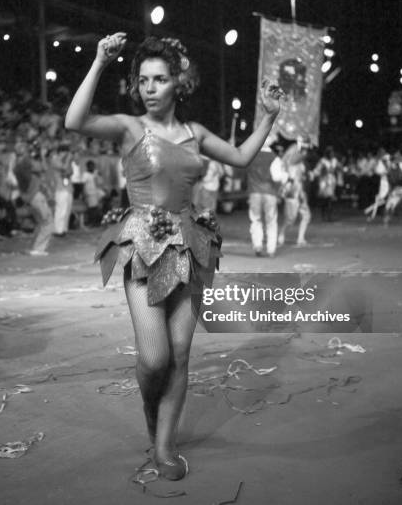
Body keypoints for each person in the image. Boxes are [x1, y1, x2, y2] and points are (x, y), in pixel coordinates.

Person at [65, 33, 283, 480]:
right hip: (142, 245)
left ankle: (164, 447)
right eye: (143, 80)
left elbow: (241, 157)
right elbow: (75, 120)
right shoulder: (129, 127)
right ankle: (152, 411)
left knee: (181, 354)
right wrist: (99, 62)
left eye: (159, 79)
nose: (150, 87)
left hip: (188, 245)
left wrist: (268, 116)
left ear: (176, 84)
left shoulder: (195, 134)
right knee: (155, 359)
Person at [246, 137, 286, 257]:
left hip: (254, 192)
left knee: (255, 219)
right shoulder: (274, 158)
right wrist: (286, 176)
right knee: (271, 221)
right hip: (270, 193)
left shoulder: (251, 156)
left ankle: (257, 245)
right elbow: (276, 177)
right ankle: (271, 249)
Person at [277, 140, 311, 247]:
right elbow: (288, 181)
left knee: (306, 215)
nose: (304, 152)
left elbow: (302, 177)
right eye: (302, 150)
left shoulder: (300, 164)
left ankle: (300, 238)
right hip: (292, 193)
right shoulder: (289, 165)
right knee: (290, 219)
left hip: (300, 192)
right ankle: (281, 233)